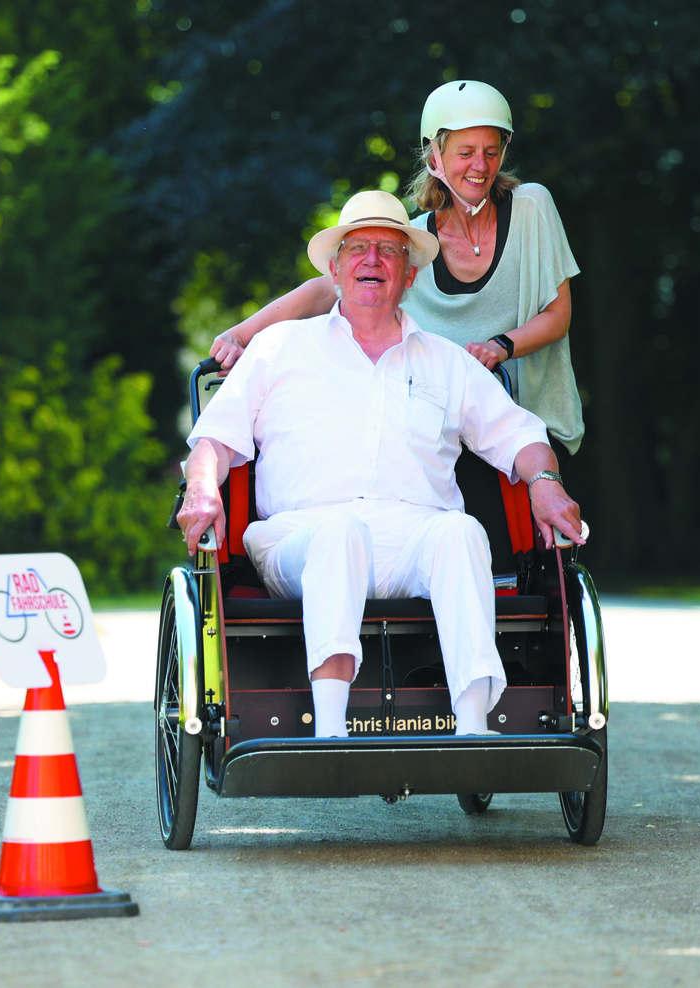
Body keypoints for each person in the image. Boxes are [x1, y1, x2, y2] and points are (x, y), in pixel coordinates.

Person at [178, 191, 588, 739]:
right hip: (301, 537)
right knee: (339, 533)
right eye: (359, 248)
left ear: (410, 275)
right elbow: (214, 439)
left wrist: (545, 482)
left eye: (390, 251)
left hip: (413, 536)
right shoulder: (279, 347)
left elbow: (520, 435)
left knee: (461, 531)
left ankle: (474, 730)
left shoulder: (445, 359)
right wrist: (203, 490)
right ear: (336, 267)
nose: (372, 260)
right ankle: (329, 731)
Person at [209, 81, 584, 460]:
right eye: (465, 152)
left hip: (529, 424)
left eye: (491, 151)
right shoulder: (413, 245)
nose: (480, 165)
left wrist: (500, 346)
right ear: (435, 157)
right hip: (448, 433)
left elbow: (557, 315)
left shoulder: (532, 207)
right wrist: (240, 335)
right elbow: (326, 289)